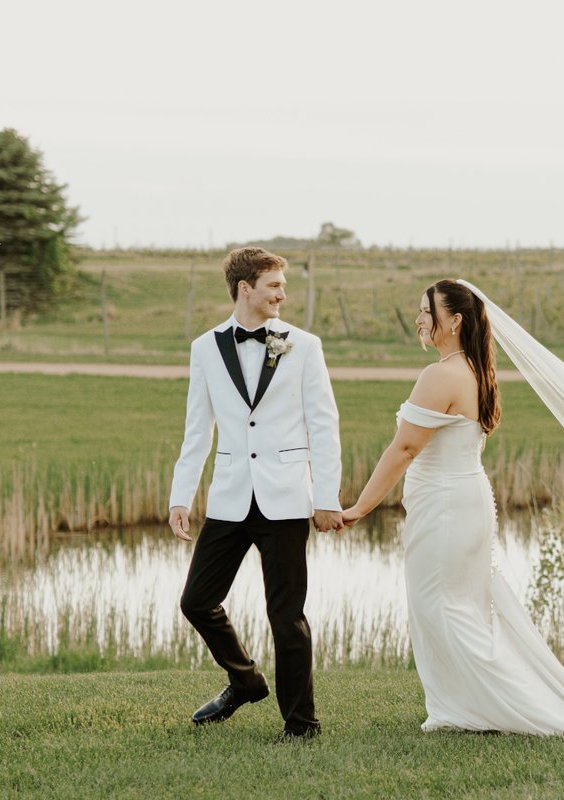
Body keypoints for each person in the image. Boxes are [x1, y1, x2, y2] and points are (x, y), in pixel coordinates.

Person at [341, 279, 564, 735]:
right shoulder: (475, 369)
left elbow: (404, 449)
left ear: (453, 321)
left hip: (447, 509)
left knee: (443, 607)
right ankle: (463, 706)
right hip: (465, 502)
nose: (418, 318)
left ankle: (504, 707)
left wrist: (359, 508)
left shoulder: (441, 375)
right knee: (459, 607)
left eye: (425, 310)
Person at [168, 246, 344, 743]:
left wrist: (325, 496)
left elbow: (324, 425)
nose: (282, 294)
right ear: (246, 289)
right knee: (197, 601)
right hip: (228, 496)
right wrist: (181, 497)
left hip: (287, 496)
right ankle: (245, 680)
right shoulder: (205, 347)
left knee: (286, 616)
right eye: (274, 286)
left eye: (282, 286)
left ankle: (301, 725)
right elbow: (197, 429)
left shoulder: (304, 346)